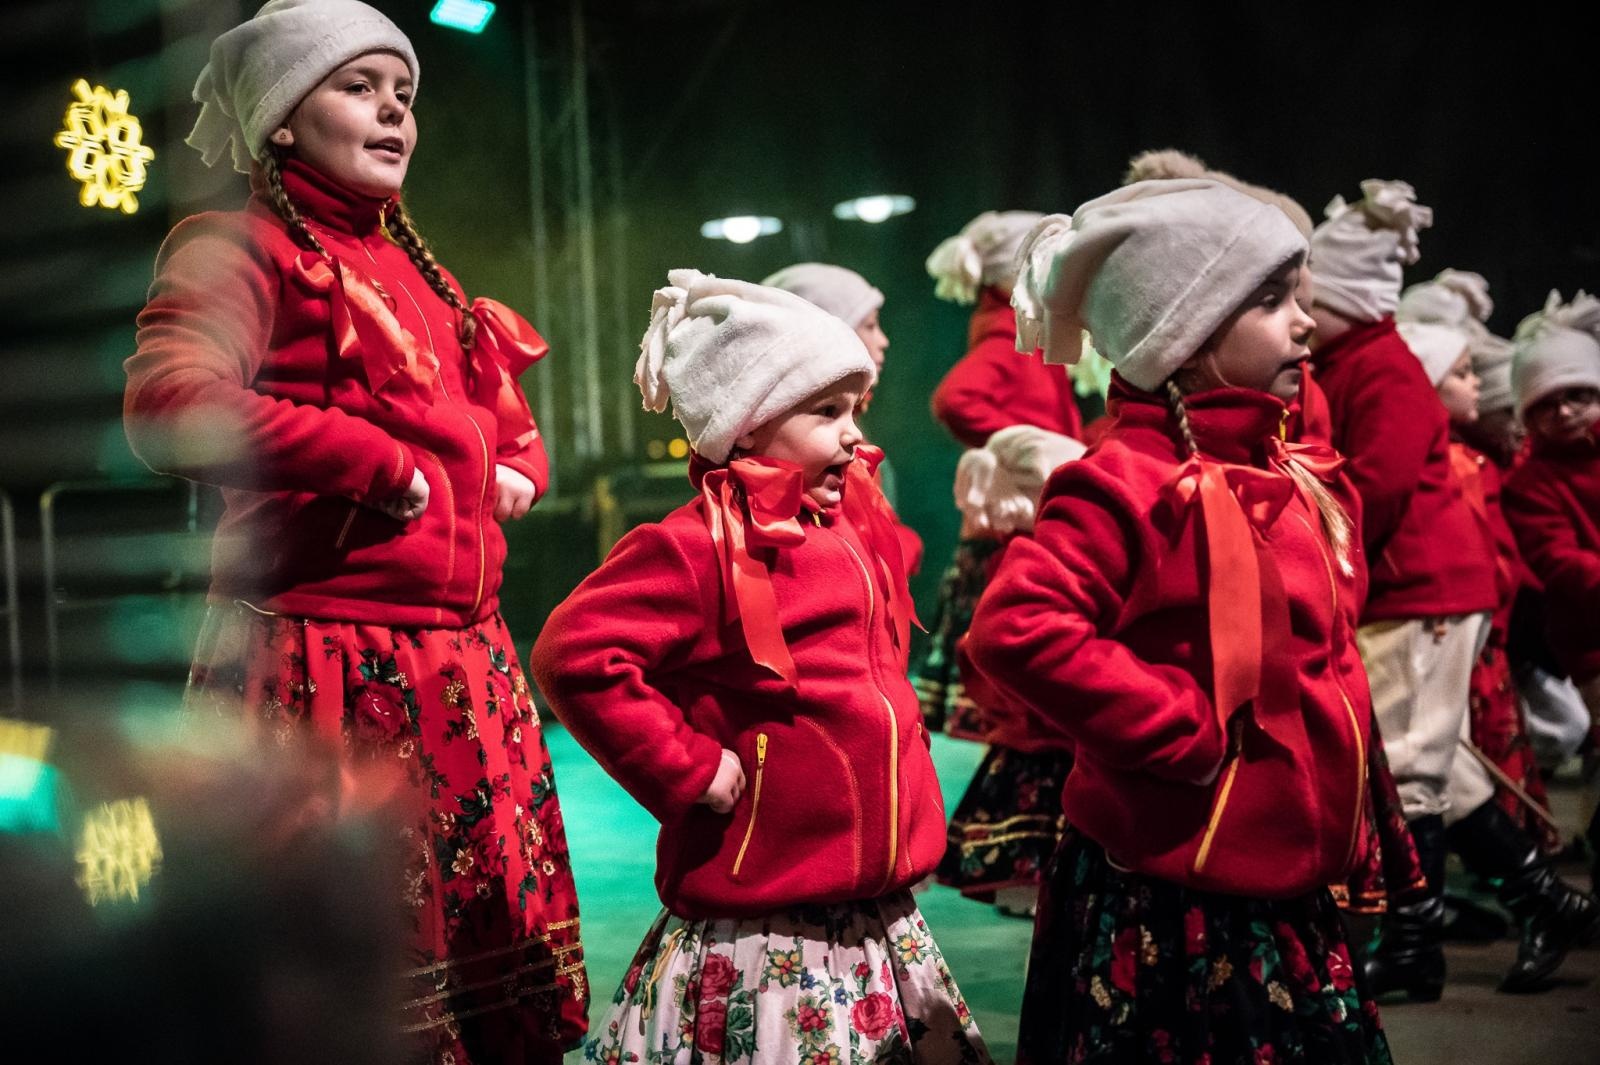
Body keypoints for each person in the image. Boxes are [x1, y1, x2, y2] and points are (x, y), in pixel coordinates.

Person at [122, 3, 585, 1059]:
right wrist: (373, 465)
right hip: (333, 659)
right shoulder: (236, 247)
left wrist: (516, 464)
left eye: (404, 94)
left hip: (461, 660)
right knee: (356, 951)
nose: (392, 111)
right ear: (282, 119)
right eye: (358, 86)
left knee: (482, 962)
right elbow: (170, 403)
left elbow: (486, 419)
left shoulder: (415, 266)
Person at [968, 179, 1391, 1064]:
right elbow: (1017, 624)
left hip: (1282, 879)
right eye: (1273, 303)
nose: (1305, 325)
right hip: (1176, 893)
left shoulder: (1282, 469)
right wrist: (1181, 726)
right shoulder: (1127, 478)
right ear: (1186, 336)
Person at [531, 270, 991, 1063]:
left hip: (875, 915)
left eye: (856, 411)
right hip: (766, 926)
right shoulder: (696, 545)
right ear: (746, 426)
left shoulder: (843, 526)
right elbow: (574, 653)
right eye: (826, 411)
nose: (854, 435)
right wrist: (684, 767)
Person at [918, 211, 1077, 738]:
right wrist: (1027, 447)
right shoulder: (1004, 342)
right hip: (1010, 533)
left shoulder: (1026, 341)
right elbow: (954, 399)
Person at [1503, 290, 1600, 898]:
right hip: (1592, 640)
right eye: (1545, 404)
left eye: (1578, 396)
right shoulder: (1530, 481)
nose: (1563, 412)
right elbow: (1559, 563)